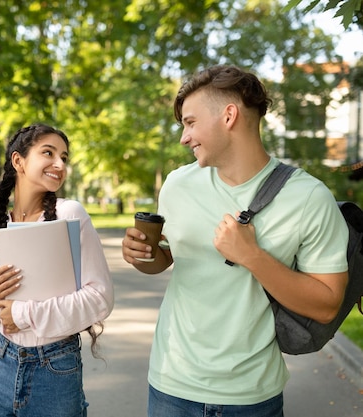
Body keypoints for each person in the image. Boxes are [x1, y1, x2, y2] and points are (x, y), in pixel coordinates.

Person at [122, 65, 348, 416]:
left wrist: (253, 257)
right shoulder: (177, 185)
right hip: (171, 385)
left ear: (229, 116)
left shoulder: (308, 198)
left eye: (191, 122)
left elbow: (327, 304)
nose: (184, 137)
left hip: (252, 396)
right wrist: (142, 256)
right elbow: (166, 259)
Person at [0, 123, 114, 416]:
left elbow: (100, 297)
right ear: (18, 160)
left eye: (64, 157)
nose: (59, 164)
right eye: (48, 153)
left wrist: (22, 314)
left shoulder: (69, 215)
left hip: (54, 368)